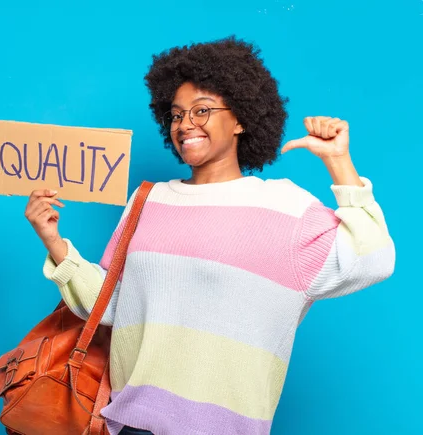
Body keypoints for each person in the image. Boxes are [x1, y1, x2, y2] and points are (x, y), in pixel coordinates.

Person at [24, 36, 395, 435]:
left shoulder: (285, 207)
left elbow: (373, 259)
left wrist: (339, 162)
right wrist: (55, 243)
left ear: (241, 119)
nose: (186, 125)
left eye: (202, 110)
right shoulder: (148, 200)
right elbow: (111, 305)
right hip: (130, 425)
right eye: (177, 114)